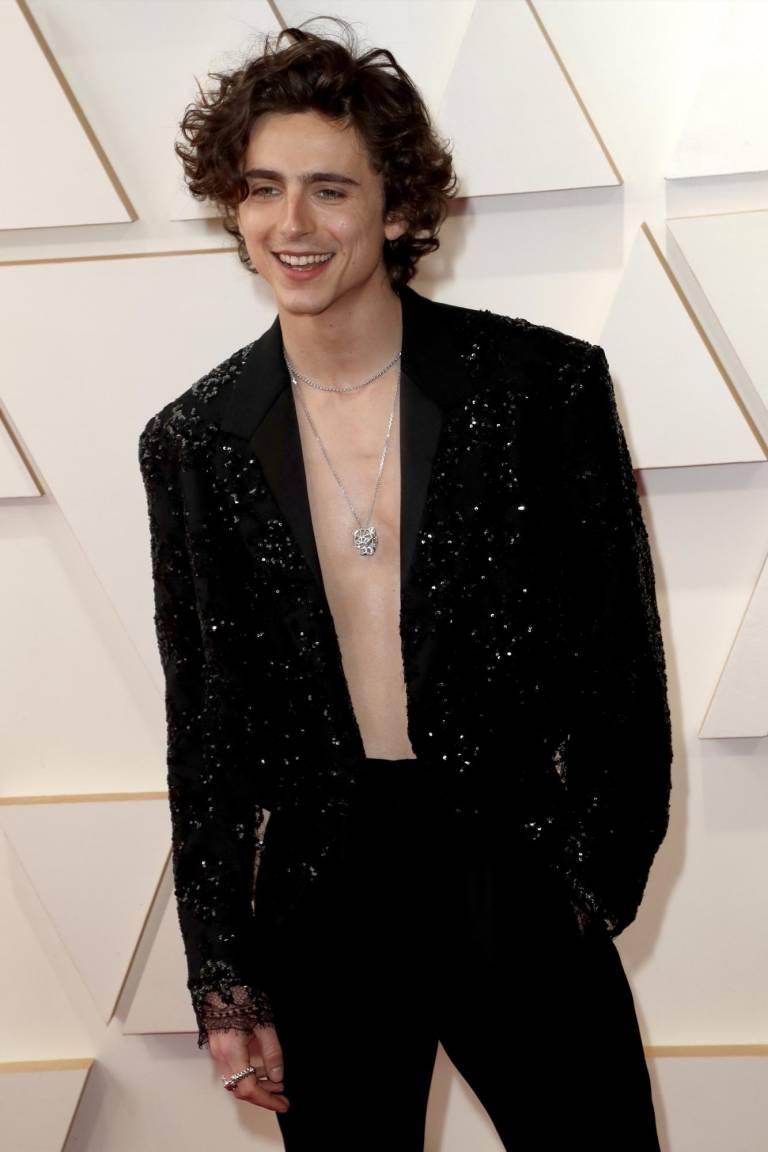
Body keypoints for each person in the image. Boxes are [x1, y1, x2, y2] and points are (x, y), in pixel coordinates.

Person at [138, 19, 673, 1151]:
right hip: (326, 893)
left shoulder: (538, 388)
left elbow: (620, 663)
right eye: (263, 187)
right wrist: (225, 978)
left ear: (393, 206)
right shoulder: (194, 439)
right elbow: (209, 728)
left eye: (330, 189)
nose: (293, 224)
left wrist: (589, 887)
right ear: (232, 207)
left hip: (513, 864)